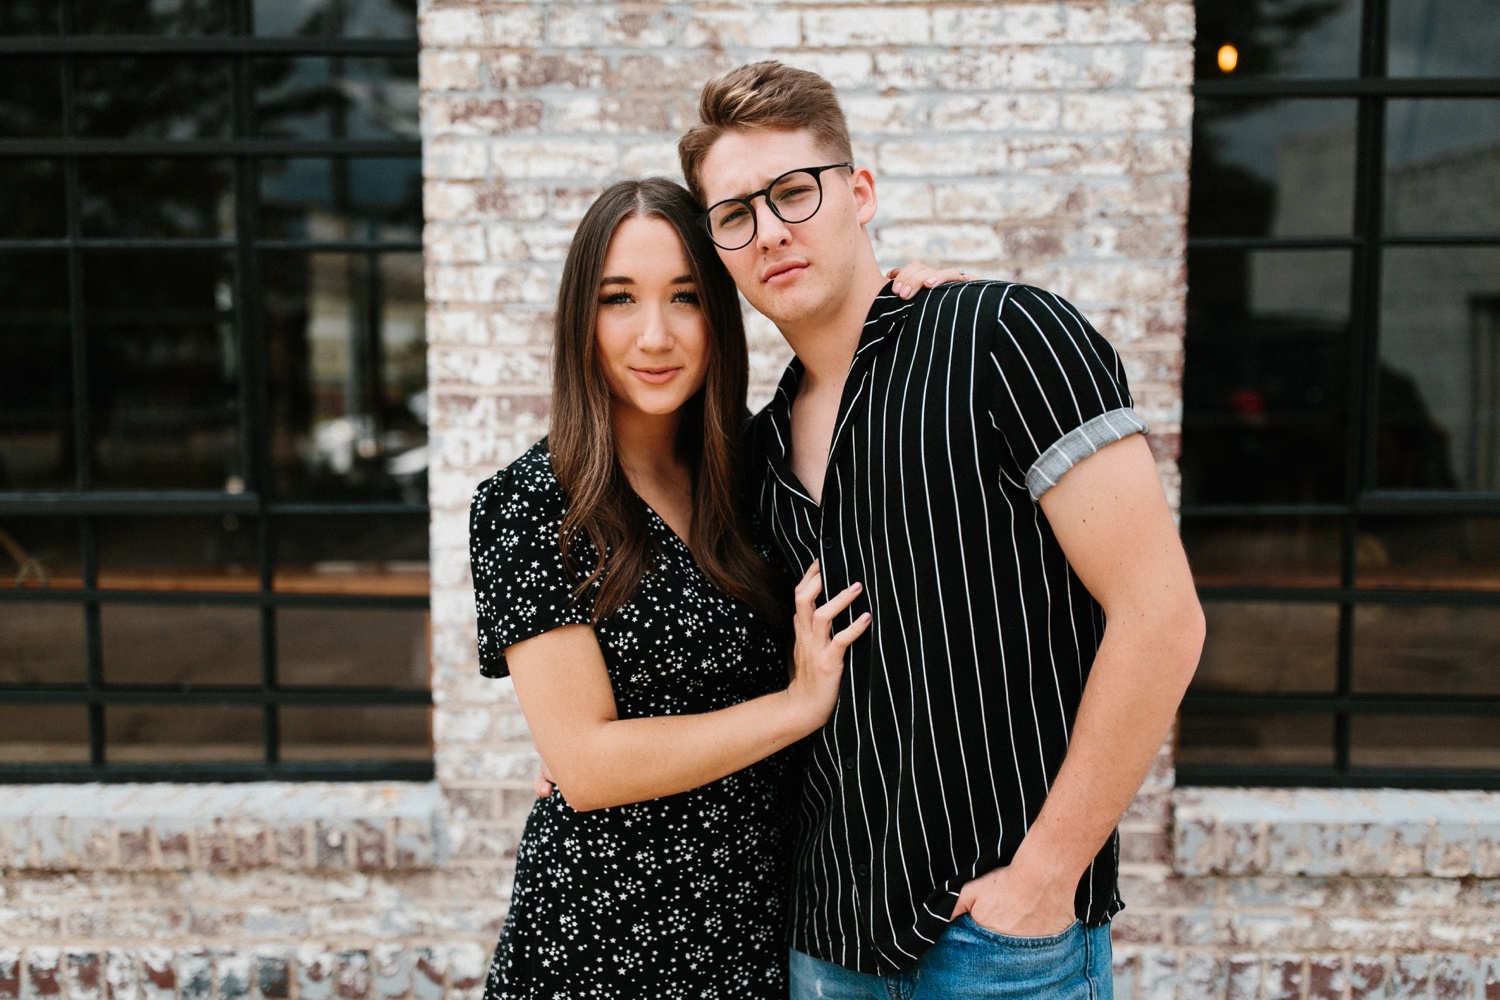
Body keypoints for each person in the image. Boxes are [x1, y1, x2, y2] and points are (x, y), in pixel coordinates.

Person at [675, 62, 1207, 999]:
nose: (770, 231)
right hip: (825, 945)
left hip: (1000, 948)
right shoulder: (753, 457)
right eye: (735, 215)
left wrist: (1043, 881)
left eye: (793, 192)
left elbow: (1161, 618)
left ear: (859, 191)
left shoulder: (1003, 338)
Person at [470, 176, 959, 998]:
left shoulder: (758, 470)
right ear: (578, 320)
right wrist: (794, 707)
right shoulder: (527, 505)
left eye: (686, 298)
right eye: (618, 299)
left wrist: (937, 316)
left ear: (720, 315)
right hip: (605, 937)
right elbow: (585, 766)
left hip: (761, 924)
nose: (654, 335)